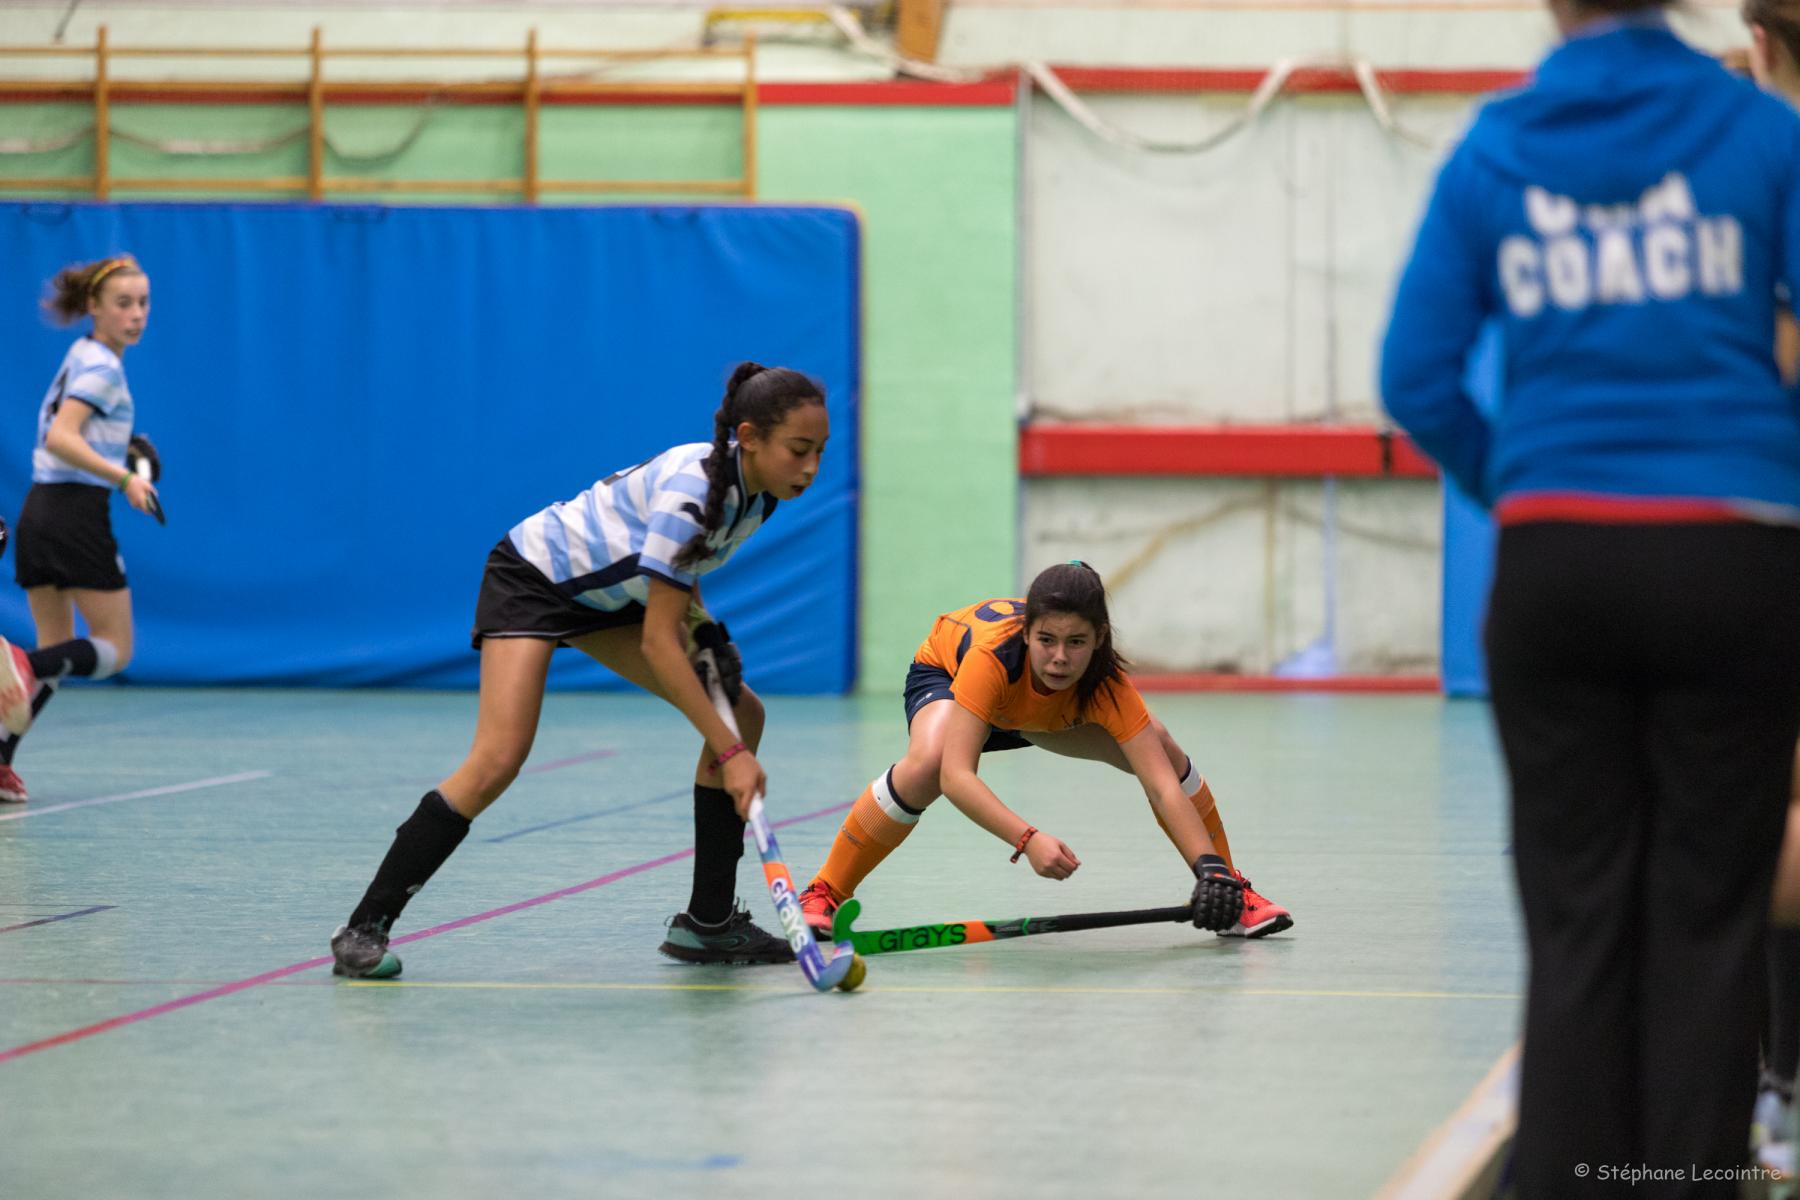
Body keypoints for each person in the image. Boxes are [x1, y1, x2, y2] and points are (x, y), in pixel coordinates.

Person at [1380, 1, 1800, 1192]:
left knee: (1576, 912)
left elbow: (1415, 375)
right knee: (1709, 913)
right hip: (1732, 558)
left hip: (1557, 564)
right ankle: (1688, 1183)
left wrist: (1521, 484)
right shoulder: (1761, 135)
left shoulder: (1497, 146)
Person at [329, 362, 829, 978]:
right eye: (799, 450)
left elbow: (682, 574)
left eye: (820, 451)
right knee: (498, 758)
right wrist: (730, 755)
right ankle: (364, 926)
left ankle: (708, 924)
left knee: (743, 711)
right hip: (534, 581)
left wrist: (703, 632)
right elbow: (657, 643)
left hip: (613, 599)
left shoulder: (759, 494)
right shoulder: (695, 494)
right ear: (749, 437)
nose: (811, 467)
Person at [795, 562, 1289, 941]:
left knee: (1160, 748)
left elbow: (1163, 787)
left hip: (1035, 713)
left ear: (1099, 638)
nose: (1059, 657)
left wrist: (1209, 870)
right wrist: (1027, 839)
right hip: (949, 678)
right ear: (1027, 632)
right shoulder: (991, 658)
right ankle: (825, 892)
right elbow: (956, 777)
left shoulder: (1107, 684)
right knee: (929, 764)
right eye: (1046, 640)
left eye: (1076, 642)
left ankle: (1233, 891)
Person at [0, 255, 163, 805]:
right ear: (93, 306)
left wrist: (124, 445)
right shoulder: (104, 370)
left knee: (60, 649)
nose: (136, 314)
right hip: (75, 515)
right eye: (123, 304)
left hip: (39, 511)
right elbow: (62, 437)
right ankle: (19, 663)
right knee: (115, 649)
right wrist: (125, 477)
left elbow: (73, 428)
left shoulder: (83, 354)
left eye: (142, 303)